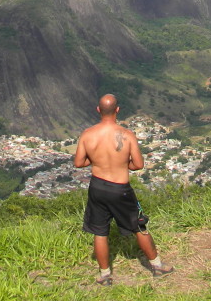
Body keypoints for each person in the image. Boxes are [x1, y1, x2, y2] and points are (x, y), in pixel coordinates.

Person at [74, 93, 174, 285]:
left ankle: (104, 275)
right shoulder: (127, 136)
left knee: (100, 231)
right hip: (120, 188)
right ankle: (157, 266)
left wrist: (96, 161)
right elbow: (138, 164)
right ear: (117, 110)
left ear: (98, 110)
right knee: (139, 226)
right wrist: (121, 164)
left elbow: (79, 162)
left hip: (97, 187)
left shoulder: (87, 134)